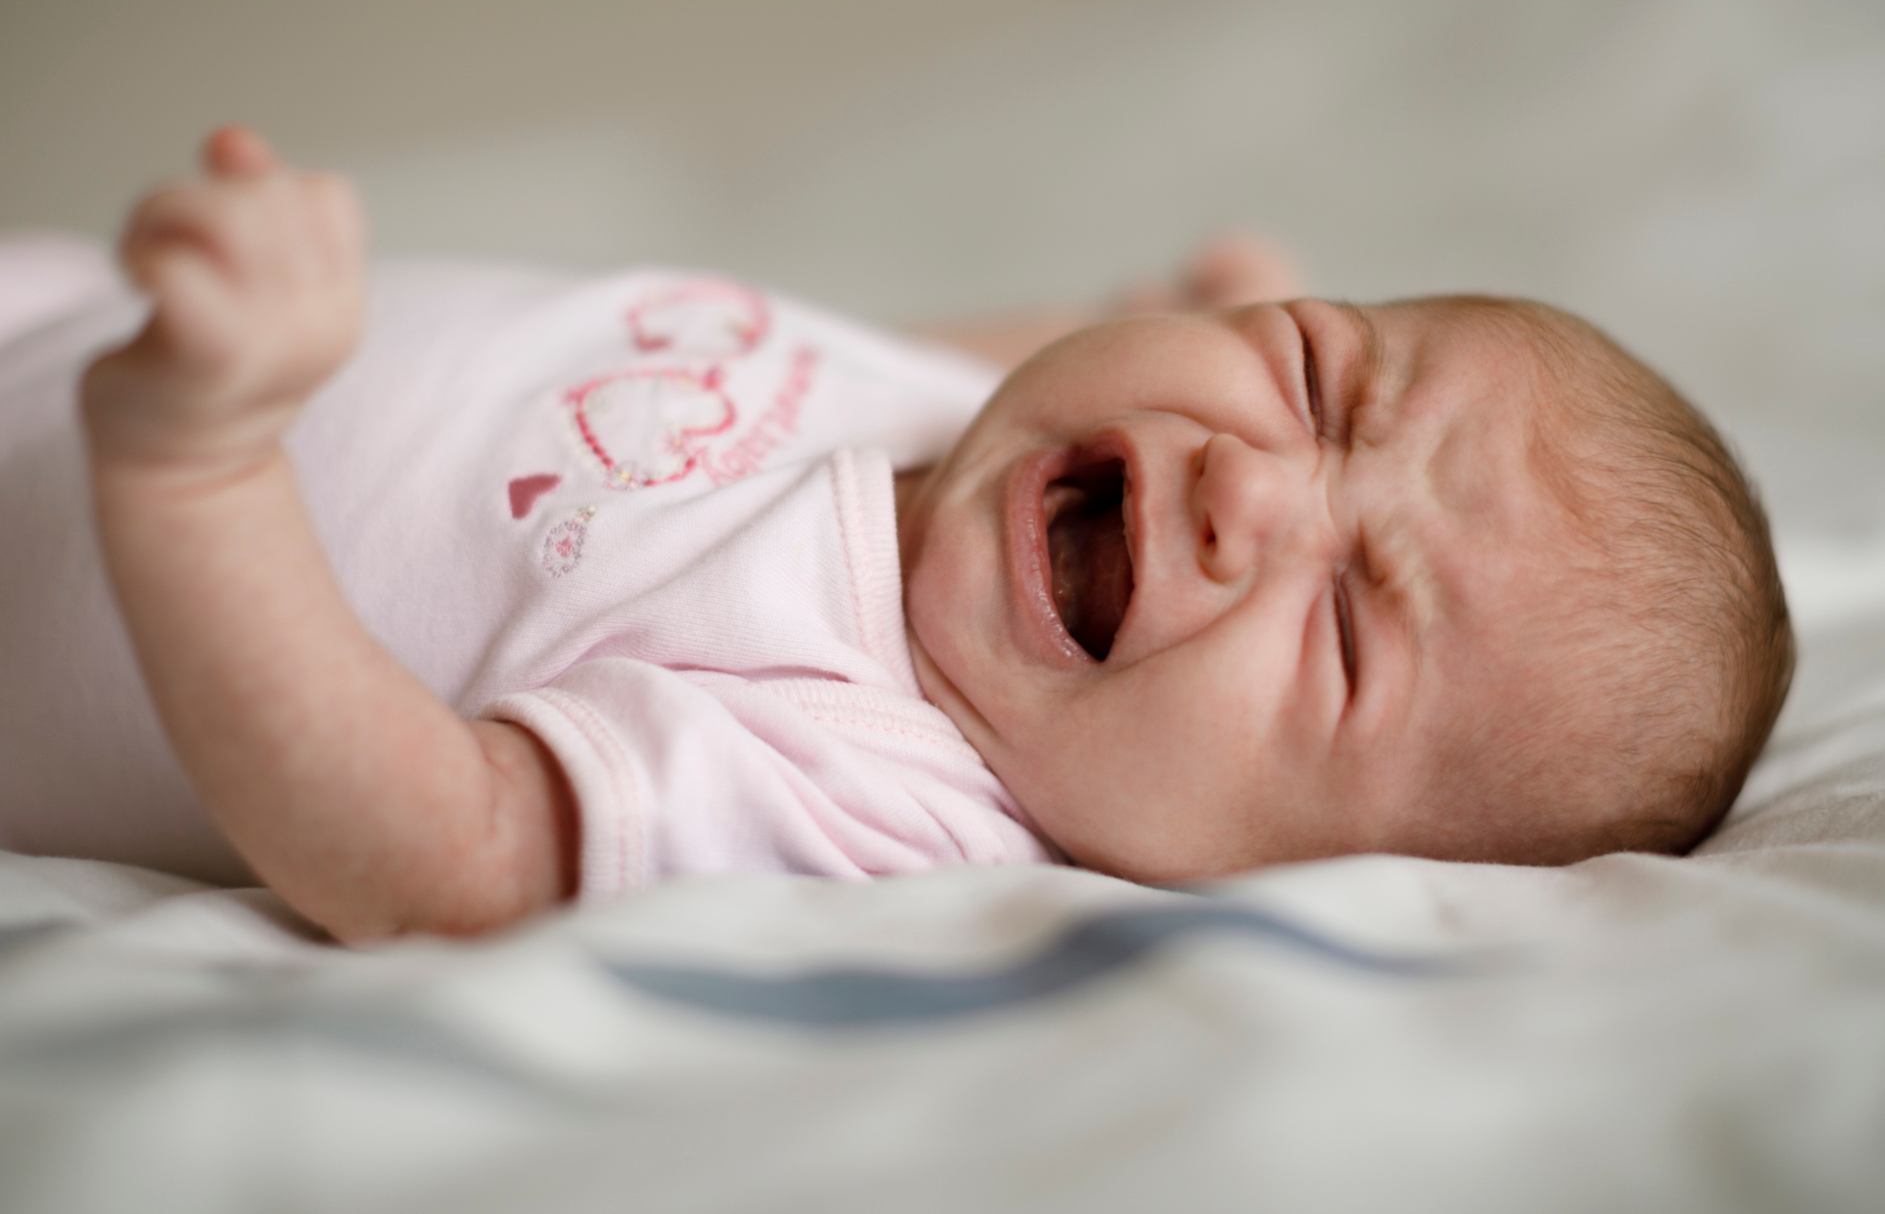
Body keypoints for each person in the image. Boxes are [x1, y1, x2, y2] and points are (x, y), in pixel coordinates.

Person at [2, 128, 1791, 943]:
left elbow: (436, 849)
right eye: (1320, 377)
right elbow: (998, 348)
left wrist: (199, 467)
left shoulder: (882, 774)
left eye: (1345, 636)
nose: (1258, 485)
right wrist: (1180, 303)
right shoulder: (1002, 430)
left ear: (1293, 877)